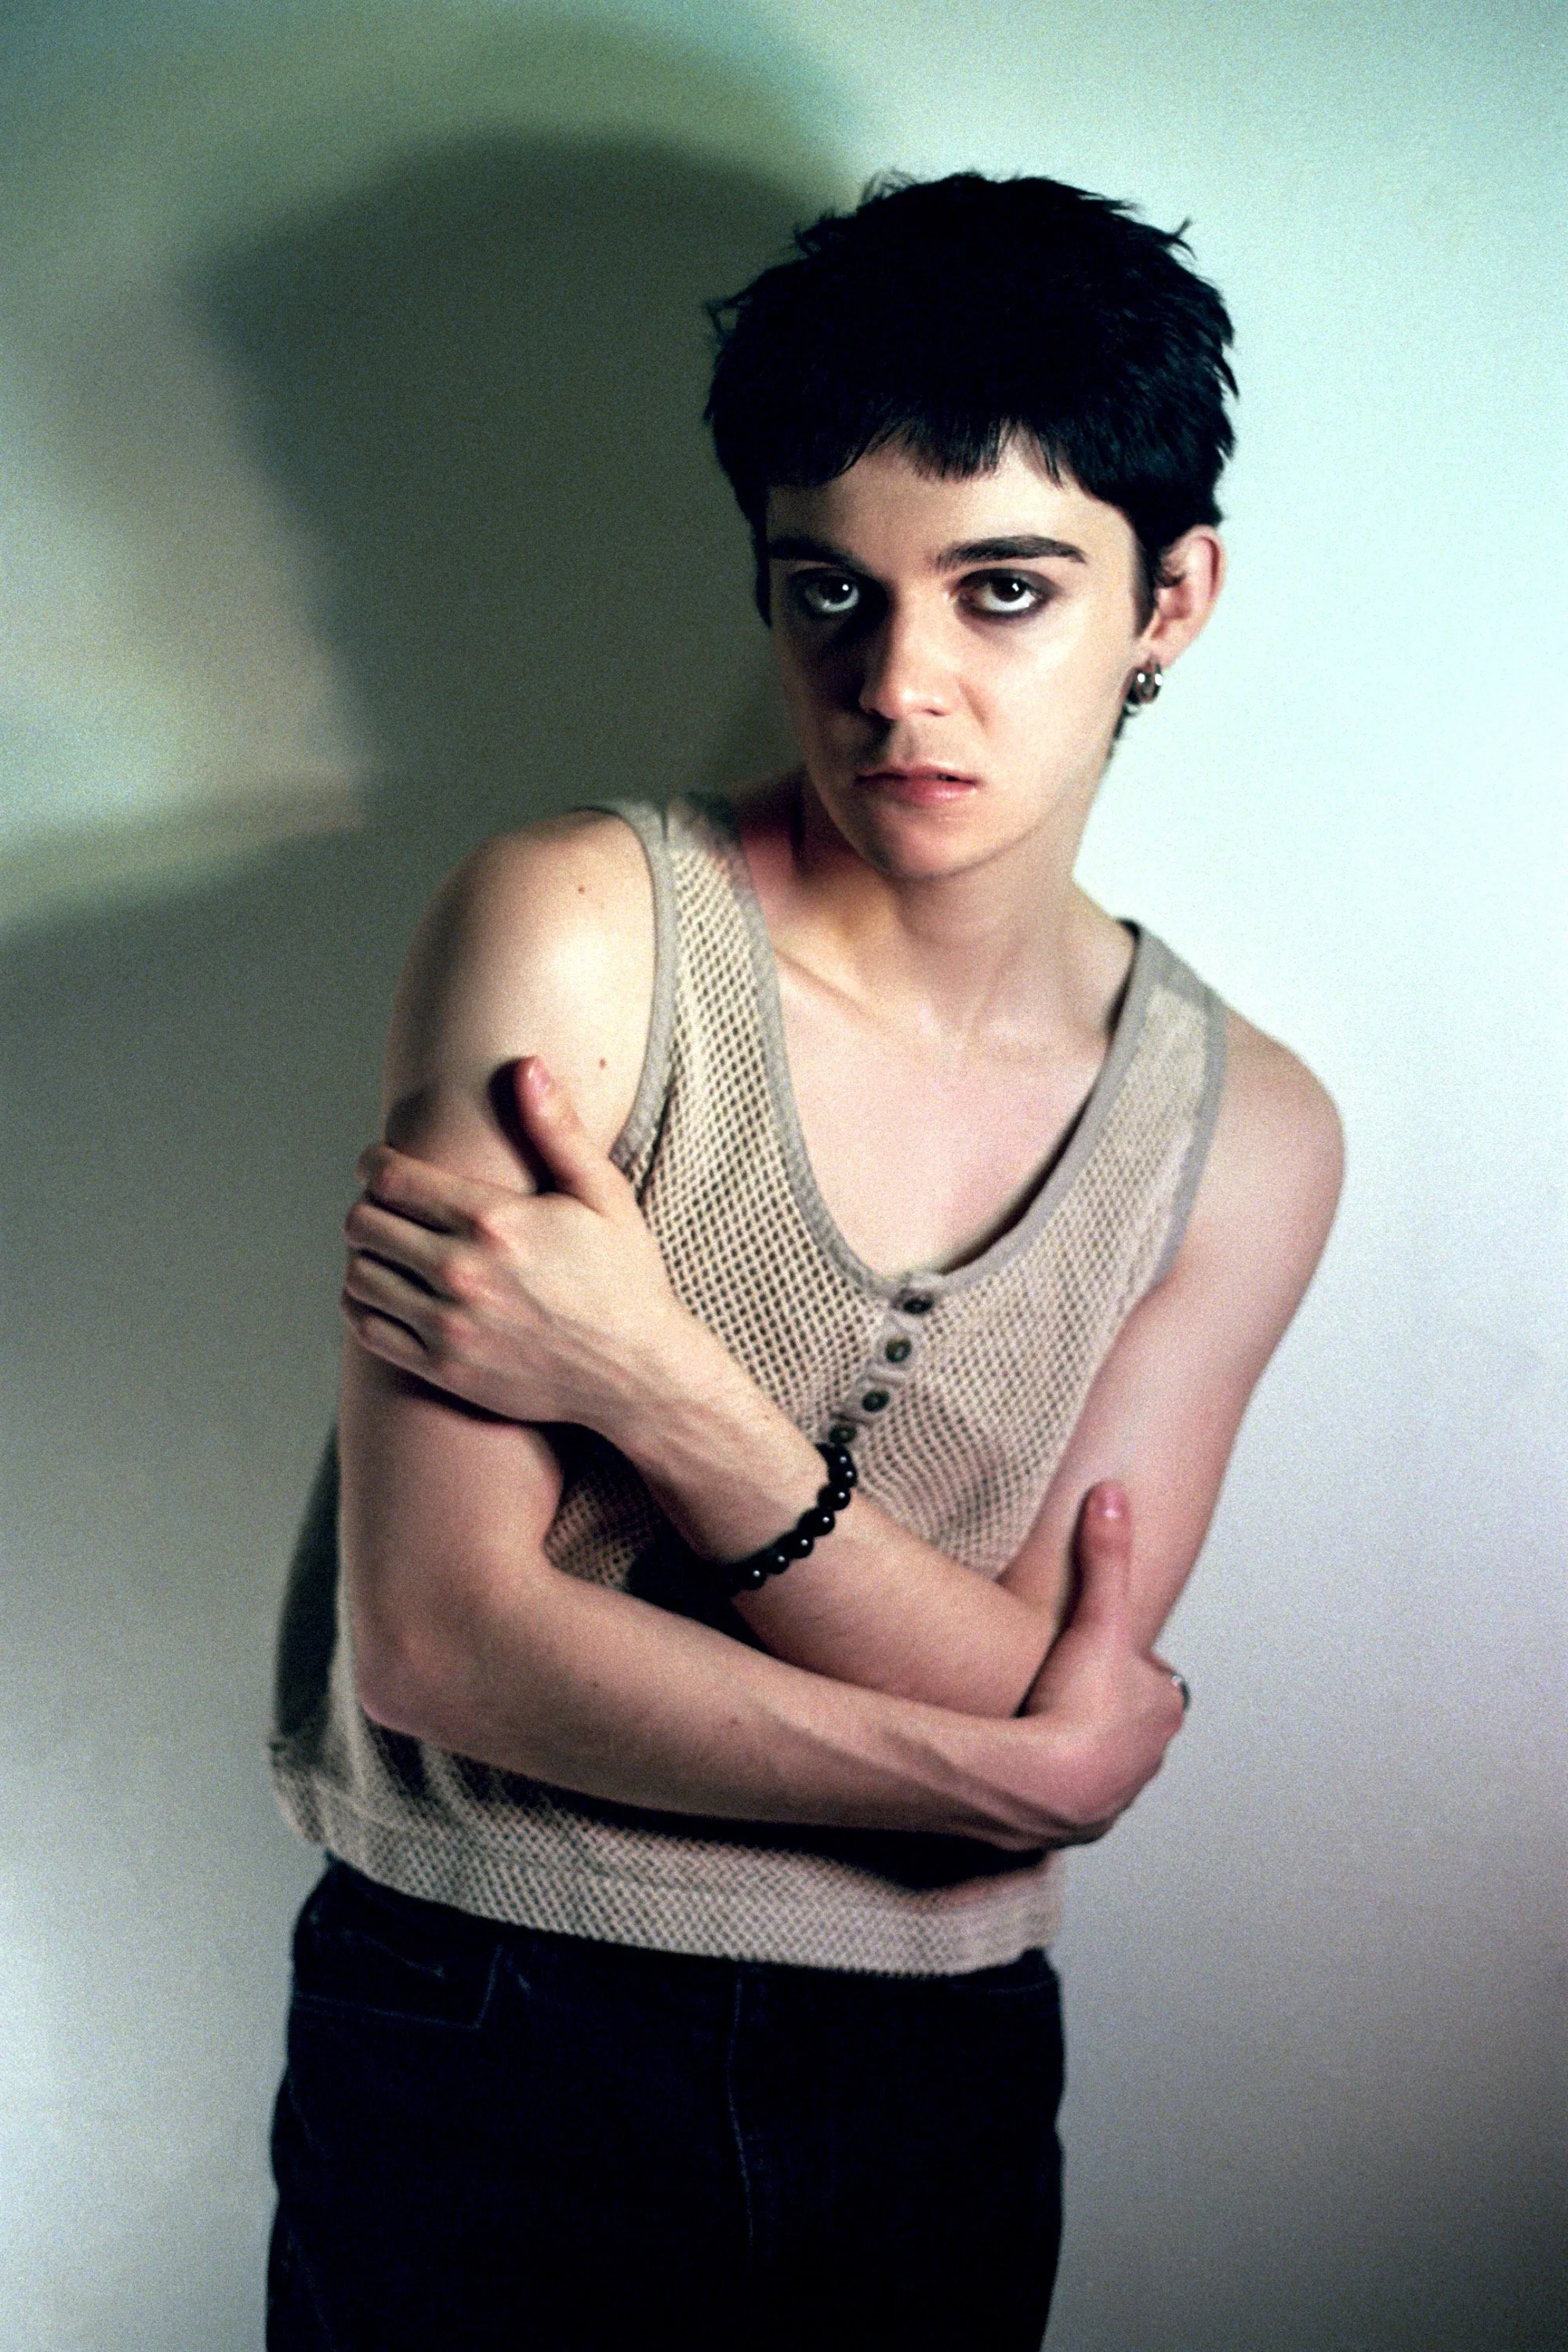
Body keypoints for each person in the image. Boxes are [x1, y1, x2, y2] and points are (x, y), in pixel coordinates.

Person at [266, 172, 1342, 2349]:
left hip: (934, 2079)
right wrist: (999, 1786)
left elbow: (1038, 1653)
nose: (899, 686)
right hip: (486, 2014)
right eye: (827, 594)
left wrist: (656, 1383)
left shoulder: (1249, 1132)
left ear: (1174, 597)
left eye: (1006, 592)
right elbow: (449, 1649)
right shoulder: (579, 931)